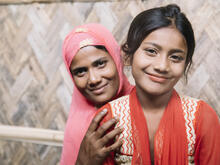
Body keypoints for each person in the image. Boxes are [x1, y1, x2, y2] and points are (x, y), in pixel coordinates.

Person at [94, 4, 220, 165]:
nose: (162, 66)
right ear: (128, 55)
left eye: (175, 57)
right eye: (151, 51)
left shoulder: (201, 118)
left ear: (186, 64)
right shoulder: (109, 119)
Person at [60, 23, 133, 164]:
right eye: (80, 71)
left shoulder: (147, 106)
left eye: (100, 64)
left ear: (116, 59)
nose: (94, 79)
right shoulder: (77, 126)